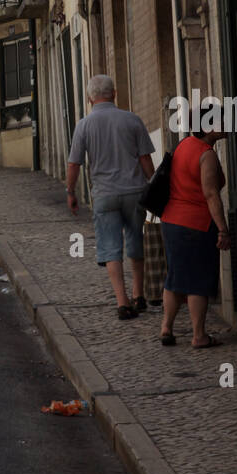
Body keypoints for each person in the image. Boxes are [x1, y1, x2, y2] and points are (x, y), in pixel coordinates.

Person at [67, 75, 155, 320]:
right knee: (136, 242)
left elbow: (74, 163)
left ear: (89, 99)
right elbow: (145, 159)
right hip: (134, 192)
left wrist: (71, 192)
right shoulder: (132, 120)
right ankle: (139, 295)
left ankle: (122, 302)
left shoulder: (84, 125)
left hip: (104, 194)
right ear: (114, 94)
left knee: (110, 248)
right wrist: (154, 184)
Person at [159, 126, 232, 348]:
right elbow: (211, 194)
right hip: (195, 224)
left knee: (175, 277)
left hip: (171, 220)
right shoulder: (205, 154)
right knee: (197, 281)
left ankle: (166, 328)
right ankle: (199, 335)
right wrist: (222, 229)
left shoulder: (182, 145)